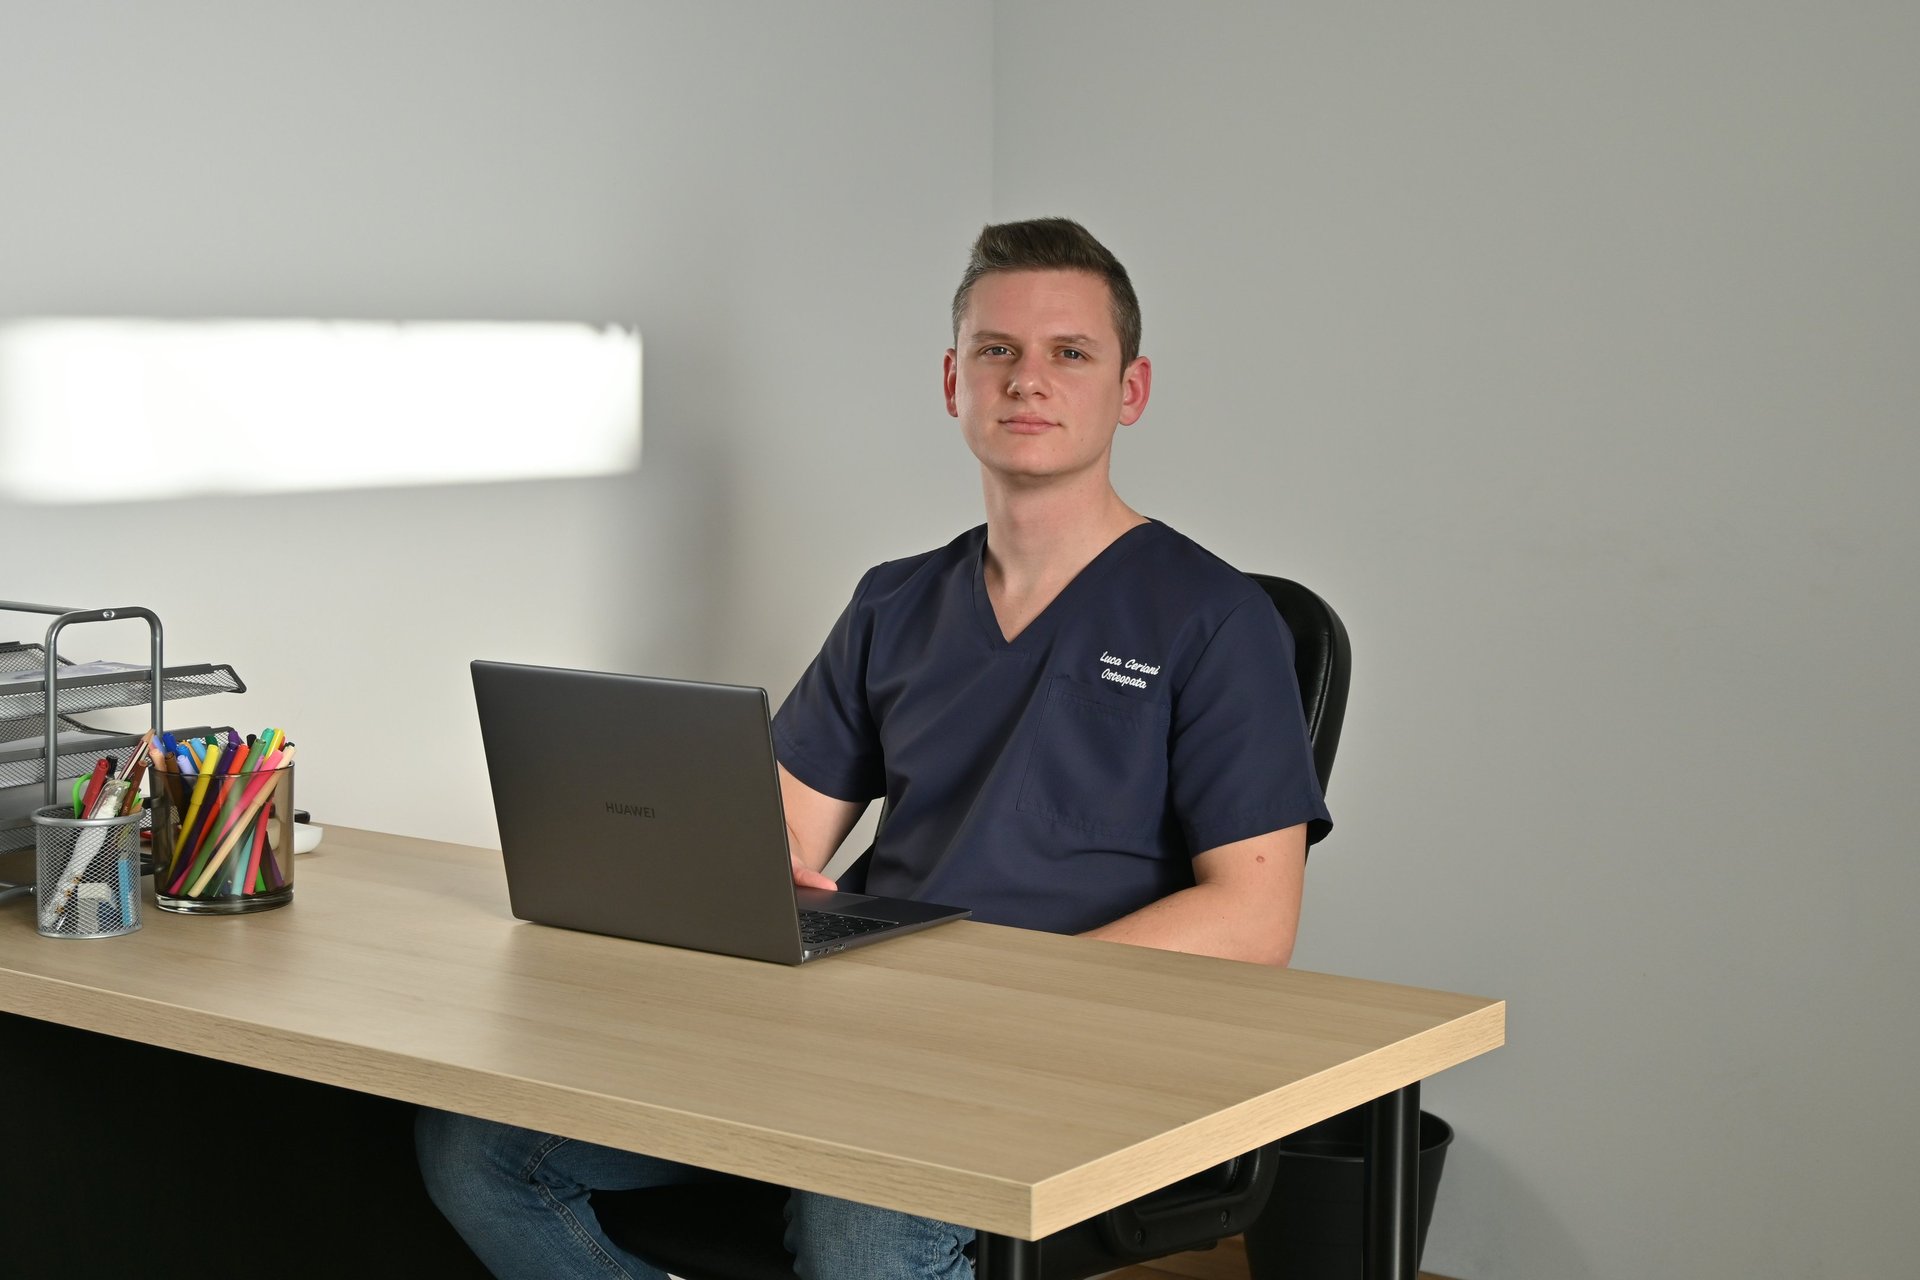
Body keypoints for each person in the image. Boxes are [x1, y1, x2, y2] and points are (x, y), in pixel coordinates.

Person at [416, 217, 1331, 1280]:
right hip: (865, 1033)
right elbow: (781, 840)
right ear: (954, 379)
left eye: (1069, 353)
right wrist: (745, 878)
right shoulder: (896, 602)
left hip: (1068, 1049)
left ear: (1130, 389)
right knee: (481, 1148)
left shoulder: (1215, 618)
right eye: (998, 350)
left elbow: (1254, 918)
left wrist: (1002, 988)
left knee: (864, 1218)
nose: (1027, 380)